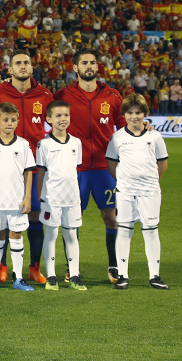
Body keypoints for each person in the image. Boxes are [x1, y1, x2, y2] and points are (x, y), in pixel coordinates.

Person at [54, 48, 128, 284]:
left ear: (97, 66)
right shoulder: (63, 95)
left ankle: (114, 266)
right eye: (84, 62)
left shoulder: (112, 96)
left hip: (106, 169)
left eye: (93, 62)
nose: (89, 66)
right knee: (72, 220)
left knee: (112, 218)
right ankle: (71, 267)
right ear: (75, 67)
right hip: (75, 170)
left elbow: (125, 126)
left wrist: (143, 127)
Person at [0, 50, 54, 284]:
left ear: (32, 68)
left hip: (35, 167)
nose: (22, 66)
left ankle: (34, 267)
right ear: (10, 69)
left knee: (34, 215)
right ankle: (2, 267)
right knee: (3, 216)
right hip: (3, 168)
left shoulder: (45, 95)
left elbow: (59, 121)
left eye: (26, 62)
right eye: (18, 63)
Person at [105, 94, 169, 290]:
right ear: (124, 114)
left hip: (150, 191)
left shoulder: (154, 136)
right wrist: (124, 181)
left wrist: (150, 181)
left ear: (145, 113)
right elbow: (111, 164)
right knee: (124, 231)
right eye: (130, 112)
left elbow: (162, 163)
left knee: (151, 231)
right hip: (125, 192)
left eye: (138, 112)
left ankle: (154, 276)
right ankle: (123, 275)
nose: (134, 116)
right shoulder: (117, 137)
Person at [0, 103, 36, 291]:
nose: (9, 123)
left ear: (18, 121)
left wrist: (27, 198)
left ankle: (18, 278)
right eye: (5, 119)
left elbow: (28, 172)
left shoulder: (23, 145)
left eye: (13, 120)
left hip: (17, 201)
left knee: (16, 235)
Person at [36, 100, 87, 291]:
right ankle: (51, 276)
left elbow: (75, 170)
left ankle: (74, 275)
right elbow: (40, 172)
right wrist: (41, 197)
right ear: (49, 119)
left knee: (71, 235)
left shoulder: (76, 143)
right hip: (52, 198)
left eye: (66, 115)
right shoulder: (44, 144)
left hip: (72, 199)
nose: (63, 119)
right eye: (58, 116)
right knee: (51, 235)